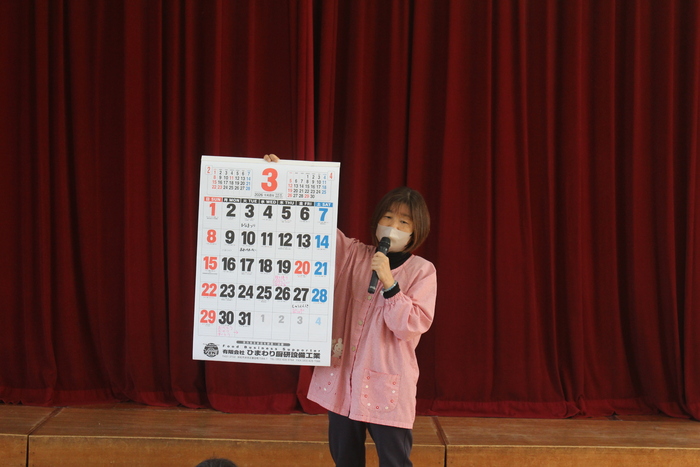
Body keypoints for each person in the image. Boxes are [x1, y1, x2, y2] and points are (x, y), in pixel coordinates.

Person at [263, 154, 437, 467]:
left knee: (395, 462)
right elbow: (315, 226)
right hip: (342, 381)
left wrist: (389, 282)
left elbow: (409, 326)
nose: (392, 226)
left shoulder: (422, 271)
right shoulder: (353, 254)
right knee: (345, 459)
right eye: (388, 218)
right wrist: (284, 181)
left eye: (403, 222)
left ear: (416, 231)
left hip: (387, 386)